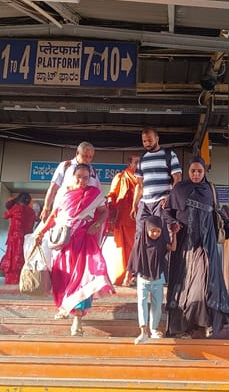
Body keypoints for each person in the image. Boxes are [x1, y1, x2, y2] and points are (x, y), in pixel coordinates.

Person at [35, 162, 114, 336]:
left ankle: (77, 319)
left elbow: (103, 212)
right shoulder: (64, 194)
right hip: (64, 243)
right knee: (61, 277)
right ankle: (64, 307)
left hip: (85, 240)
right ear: (73, 176)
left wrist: (98, 223)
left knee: (83, 278)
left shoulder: (94, 194)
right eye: (79, 177)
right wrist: (41, 231)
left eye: (86, 177)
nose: (82, 180)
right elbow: (54, 216)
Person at [164, 156, 229, 339]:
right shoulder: (179, 189)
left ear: (204, 172)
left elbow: (218, 212)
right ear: (187, 171)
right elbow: (167, 211)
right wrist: (173, 222)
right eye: (192, 171)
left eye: (199, 171)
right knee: (184, 283)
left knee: (205, 283)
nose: (196, 174)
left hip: (206, 245)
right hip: (184, 246)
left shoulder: (210, 189)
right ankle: (183, 327)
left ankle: (206, 323)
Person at [127, 216, 176, 344]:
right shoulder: (140, 242)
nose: (155, 234)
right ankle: (143, 330)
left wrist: (174, 234)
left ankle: (154, 329)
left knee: (157, 304)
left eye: (158, 231)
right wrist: (128, 276)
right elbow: (132, 259)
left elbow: (173, 248)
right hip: (143, 279)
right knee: (142, 303)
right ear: (146, 229)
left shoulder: (162, 242)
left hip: (158, 279)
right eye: (153, 230)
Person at [131, 128, 182, 236]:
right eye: (144, 141)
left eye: (150, 140)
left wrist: (169, 198)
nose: (147, 143)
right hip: (144, 204)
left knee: (162, 235)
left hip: (161, 203)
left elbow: (177, 178)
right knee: (140, 235)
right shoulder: (142, 159)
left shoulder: (169, 155)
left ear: (157, 139)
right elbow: (139, 185)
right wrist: (134, 205)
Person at [39, 142, 101, 222]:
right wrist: (46, 208)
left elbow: (98, 194)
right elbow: (53, 188)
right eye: (85, 156)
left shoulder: (93, 171)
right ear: (77, 153)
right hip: (63, 213)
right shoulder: (65, 165)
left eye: (90, 157)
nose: (87, 160)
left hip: (84, 217)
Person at [107, 153, 140, 286]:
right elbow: (112, 194)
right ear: (129, 164)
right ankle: (122, 276)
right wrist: (109, 212)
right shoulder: (121, 177)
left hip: (137, 218)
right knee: (122, 249)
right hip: (123, 218)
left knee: (134, 248)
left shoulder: (142, 178)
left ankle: (130, 275)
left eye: (140, 162)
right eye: (136, 162)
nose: (138, 165)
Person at [0, 192, 37, 285]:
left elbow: (5, 215)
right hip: (27, 240)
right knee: (23, 261)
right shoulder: (32, 212)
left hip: (15, 240)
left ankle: (11, 283)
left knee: (12, 262)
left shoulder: (17, 208)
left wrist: (12, 201)